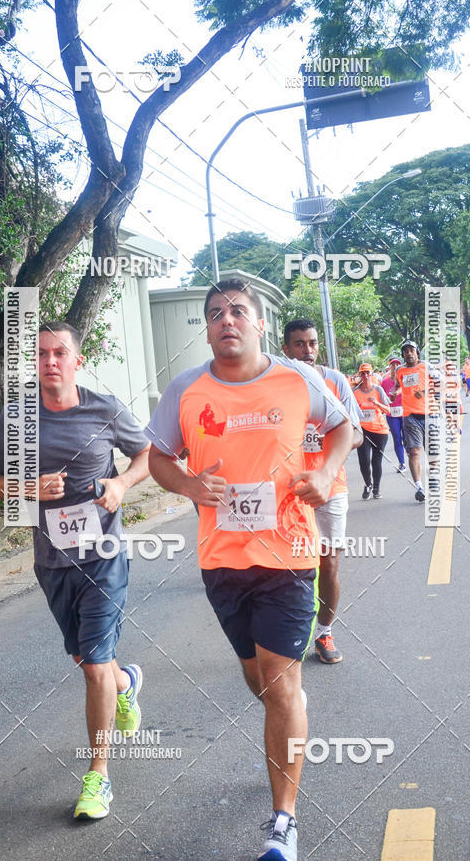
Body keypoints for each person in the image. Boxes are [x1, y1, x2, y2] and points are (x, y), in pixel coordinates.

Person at [145, 279, 352, 861]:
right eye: (215, 314)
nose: (226, 320)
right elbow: (159, 456)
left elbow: (344, 428)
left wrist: (324, 472)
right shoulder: (185, 390)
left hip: (288, 555)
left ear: (260, 323)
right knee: (258, 680)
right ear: (207, 327)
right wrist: (186, 482)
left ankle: (282, 822)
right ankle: (287, 723)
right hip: (221, 560)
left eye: (238, 311)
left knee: (282, 683)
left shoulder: (296, 378)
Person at [0, 322, 150, 820]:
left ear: (77, 360)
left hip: (103, 556)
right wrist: (26, 489)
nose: (50, 361)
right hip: (52, 562)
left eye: (60, 352)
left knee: (94, 664)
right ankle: (126, 683)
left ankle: (98, 777)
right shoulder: (15, 417)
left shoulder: (104, 409)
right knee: (86, 660)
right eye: (41, 354)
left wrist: (121, 484)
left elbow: (148, 454)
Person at [282, 318, 363, 665]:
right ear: (285, 348)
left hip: (331, 486)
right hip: (287, 489)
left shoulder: (335, 381)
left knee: (328, 564)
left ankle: (324, 632)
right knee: (288, 566)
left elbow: (356, 433)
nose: (308, 351)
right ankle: (288, 632)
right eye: (299, 344)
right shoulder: (276, 382)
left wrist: (328, 462)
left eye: (312, 343)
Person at [391, 340, 439, 502]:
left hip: (430, 414)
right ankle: (419, 487)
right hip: (410, 416)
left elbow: (440, 383)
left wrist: (425, 392)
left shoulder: (427, 366)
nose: (409, 353)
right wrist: (395, 393)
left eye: (412, 350)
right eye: (405, 351)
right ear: (402, 355)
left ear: (417, 352)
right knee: (414, 452)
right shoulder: (400, 370)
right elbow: (399, 386)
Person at [352, 364, 390, 499]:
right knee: (364, 460)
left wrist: (377, 404)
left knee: (376, 460)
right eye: (363, 373)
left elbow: (388, 410)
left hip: (379, 430)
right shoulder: (355, 392)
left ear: (372, 374)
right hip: (362, 430)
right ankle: (368, 484)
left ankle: (376, 488)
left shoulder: (378, 390)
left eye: (368, 373)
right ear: (360, 375)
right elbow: (350, 412)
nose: (366, 376)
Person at [381, 357, 405, 472]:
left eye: (397, 364)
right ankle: (402, 463)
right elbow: (381, 398)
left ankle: (410, 452)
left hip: (405, 412)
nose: (395, 366)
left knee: (407, 438)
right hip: (392, 414)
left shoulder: (404, 380)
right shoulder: (384, 382)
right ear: (389, 367)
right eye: (392, 364)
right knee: (397, 438)